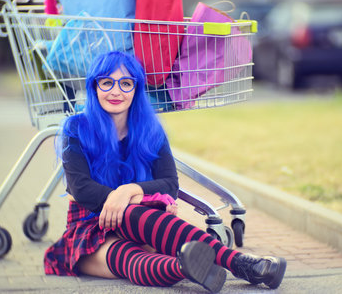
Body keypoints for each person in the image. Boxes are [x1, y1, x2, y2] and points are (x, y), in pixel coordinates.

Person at [44, 51, 287, 292]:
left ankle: (240, 264)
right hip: (90, 228)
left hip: (138, 223)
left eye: (126, 83)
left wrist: (130, 190)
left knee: (131, 212)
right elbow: (82, 190)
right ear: (94, 87)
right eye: (107, 82)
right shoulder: (76, 128)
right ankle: (188, 266)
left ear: (136, 89)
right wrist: (129, 198)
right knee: (129, 256)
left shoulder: (151, 131)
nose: (116, 91)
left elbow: (170, 184)